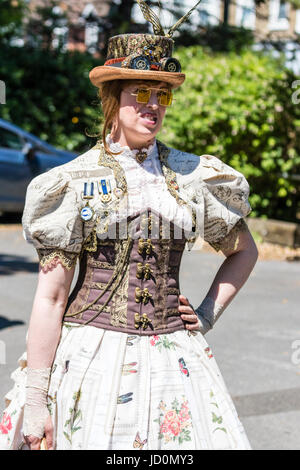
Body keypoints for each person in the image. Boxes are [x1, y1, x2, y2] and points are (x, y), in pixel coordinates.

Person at [0, 2, 258, 451]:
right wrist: (37, 403)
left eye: (162, 95)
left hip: (173, 357)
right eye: (140, 93)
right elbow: (52, 295)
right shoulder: (73, 182)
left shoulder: (194, 176)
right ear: (113, 98)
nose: (153, 106)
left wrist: (206, 314)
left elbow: (244, 251)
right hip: (90, 357)